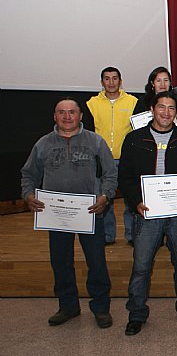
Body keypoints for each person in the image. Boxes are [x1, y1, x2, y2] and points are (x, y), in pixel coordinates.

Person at [21, 97, 117, 328]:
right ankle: (68, 306)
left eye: (72, 112)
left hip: (90, 212)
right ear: (55, 116)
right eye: (61, 112)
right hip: (56, 215)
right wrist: (28, 195)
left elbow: (111, 174)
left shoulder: (95, 142)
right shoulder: (43, 144)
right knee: (61, 261)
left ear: (80, 115)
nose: (67, 116)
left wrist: (105, 196)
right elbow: (29, 175)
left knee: (96, 262)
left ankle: (101, 308)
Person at [119, 91, 177, 335]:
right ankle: (136, 314)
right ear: (152, 110)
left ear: (176, 113)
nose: (166, 112)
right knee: (141, 267)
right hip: (147, 215)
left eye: (171, 108)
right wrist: (136, 202)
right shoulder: (134, 139)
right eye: (161, 107)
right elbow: (125, 177)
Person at [85, 66, 138, 245]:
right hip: (102, 159)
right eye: (107, 79)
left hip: (127, 158)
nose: (111, 82)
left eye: (115, 78)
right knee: (104, 198)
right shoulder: (91, 103)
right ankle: (107, 235)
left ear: (120, 81)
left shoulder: (132, 102)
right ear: (102, 82)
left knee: (130, 199)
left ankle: (132, 235)